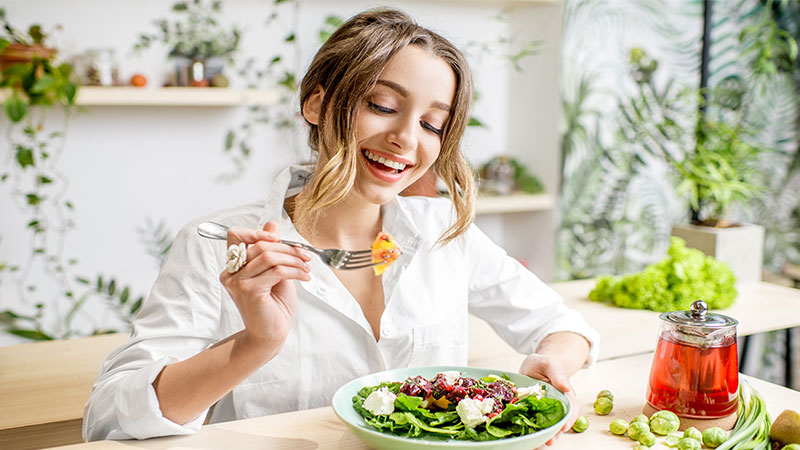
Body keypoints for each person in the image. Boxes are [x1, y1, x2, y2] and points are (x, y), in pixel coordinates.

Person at [83, 8, 599, 444]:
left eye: (431, 124)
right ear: (318, 103)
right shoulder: (219, 243)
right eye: (382, 106)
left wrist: (549, 364)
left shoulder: (443, 230)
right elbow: (108, 419)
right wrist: (254, 344)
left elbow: (563, 326)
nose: (405, 138)